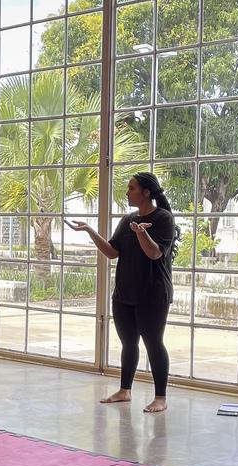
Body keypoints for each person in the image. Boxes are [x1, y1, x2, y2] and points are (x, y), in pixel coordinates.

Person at [66, 172, 177, 414]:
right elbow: (112, 251)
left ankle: (160, 397)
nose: (127, 192)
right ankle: (125, 390)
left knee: (153, 343)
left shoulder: (164, 218)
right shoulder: (127, 219)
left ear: (146, 192)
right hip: (124, 293)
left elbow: (155, 253)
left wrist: (141, 233)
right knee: (129, 343)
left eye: (132, 188)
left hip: (153, 295)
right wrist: (90, 231)